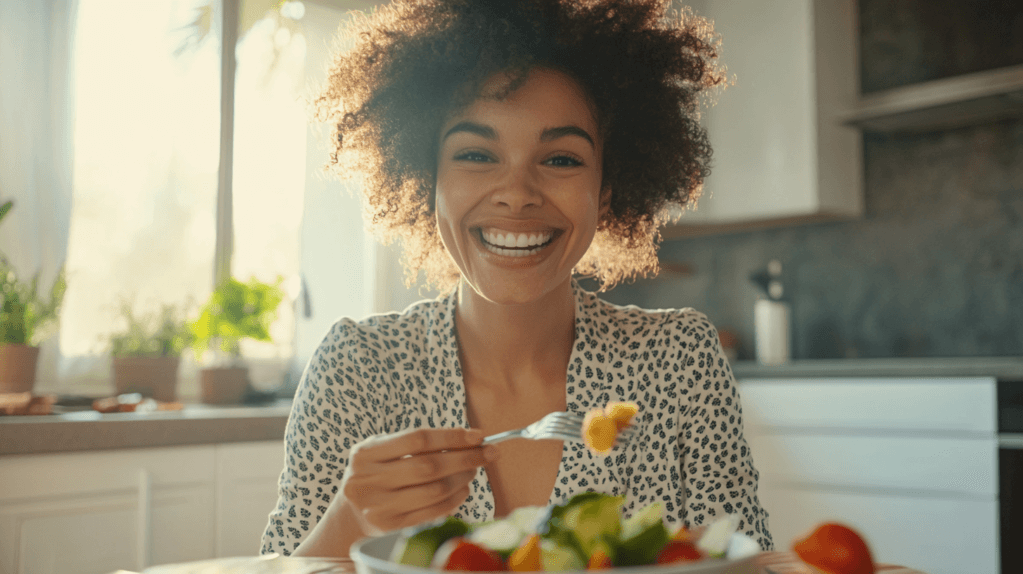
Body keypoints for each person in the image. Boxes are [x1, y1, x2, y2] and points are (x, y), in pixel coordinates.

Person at [261, 0, 773, 558]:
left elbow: (749, 561)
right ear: (426, 179)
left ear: (605, 193)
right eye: (477, 154)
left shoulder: (680, 359)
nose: (517, 192)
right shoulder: (356, 368)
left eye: (561, 160)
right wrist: (348, 520)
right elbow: (275, 569)